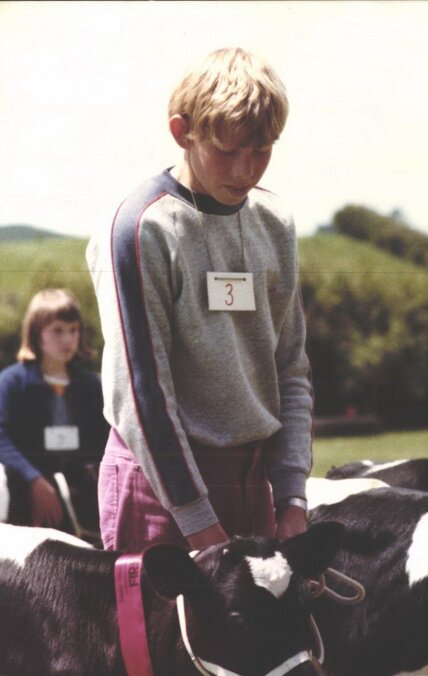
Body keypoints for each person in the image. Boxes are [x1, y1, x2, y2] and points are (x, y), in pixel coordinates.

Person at [86, 47, 313, 553]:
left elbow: (290, 370)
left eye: (262, 151)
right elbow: (141, 393)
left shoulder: (275, 224)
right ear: (181, 131)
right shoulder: (141, 227)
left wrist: (293, 499)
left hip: (254, 485)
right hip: (159, 489)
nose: (246, 169)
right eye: (228, 151)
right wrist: (198, 521)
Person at [0, 289, 108, 528]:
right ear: (37, 334)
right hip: (28, 490)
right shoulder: (13, 382)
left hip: (85, 494)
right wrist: (33, 480)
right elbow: (2, 438)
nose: (68, 339)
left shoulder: (91, 384)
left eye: (73, 330)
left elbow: (104, 440)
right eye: (57, 330)